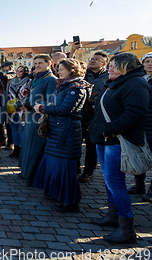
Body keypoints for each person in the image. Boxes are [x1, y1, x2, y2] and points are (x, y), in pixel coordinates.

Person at [89, 52, 150, 244]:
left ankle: (127, 229)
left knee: (116, 182)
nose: (109, 68)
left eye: (114, 65)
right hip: (105, 139)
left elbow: (136, 113)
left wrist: (108, 129)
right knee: (109, 181)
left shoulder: (136, 83)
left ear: (126, 67)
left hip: (117, 140)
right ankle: (112, 216)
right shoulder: (115, 82)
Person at [32, 59, 92, 212]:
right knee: (54, 164)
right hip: (57, 129)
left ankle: (71, 202)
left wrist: (43, 109)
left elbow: (66, 109)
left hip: (67, 132)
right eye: (58, 69)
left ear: (71, 70)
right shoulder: (65, 85)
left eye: (61, 69)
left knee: (64, 167)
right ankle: (55, 193)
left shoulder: (76, 87)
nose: (58, 72)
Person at [17, 54, 57, 185]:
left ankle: (33, 176)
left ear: (49, 63)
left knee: (36, 148)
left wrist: (31, 104)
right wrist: (22, 103)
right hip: (30, 116)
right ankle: (26, 172)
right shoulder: (36, 78)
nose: (37, 65)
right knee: (28, 145)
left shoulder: (51, 79)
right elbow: (30, 96)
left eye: (40, 63)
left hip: (39, 118)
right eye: (36, 63)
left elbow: (50, 100)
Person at [78, 52, 109, 183]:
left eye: (97, 59)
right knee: (76, 142)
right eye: (91, 58)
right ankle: (75, 167)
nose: (93, 61)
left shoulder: (108, 77)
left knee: (91, 146)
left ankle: (88, 171)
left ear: (104, 64)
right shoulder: (84, 74)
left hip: (96, 116)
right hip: (81, 114)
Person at [128, 52, 152, 201]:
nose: (150, 64)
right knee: (139, 156)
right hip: (140, 124)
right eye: (147, 61)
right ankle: (139, 185)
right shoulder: (139, 79)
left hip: (150, 122)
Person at [6, 65, 31, 159]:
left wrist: (26, 104)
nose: (18, 73)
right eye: (17, 71)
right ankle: (16, 148)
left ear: (25, 72)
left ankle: (22, 150)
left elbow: (29, 95)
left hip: (23, 109)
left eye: (21, 71)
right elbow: (7, 93)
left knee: (22, 131)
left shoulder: (29, 82)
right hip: (12, 109)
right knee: (14, 130)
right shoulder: (11, 82)